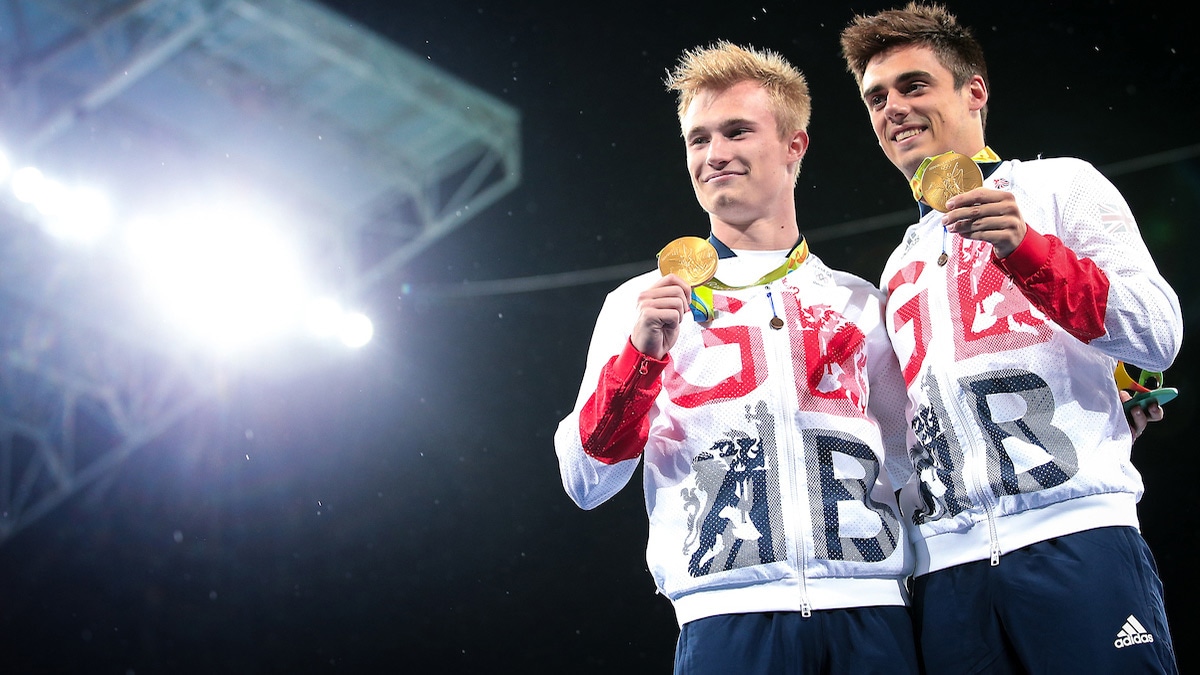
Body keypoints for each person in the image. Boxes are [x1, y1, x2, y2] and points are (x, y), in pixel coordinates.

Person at [554, 42, 919, 673]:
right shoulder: (639, 304)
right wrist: (640, 365)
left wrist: (1111, 401)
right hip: (725, 620)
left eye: (737, 131)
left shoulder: (861, 303)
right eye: (698, 140)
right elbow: (586, 481)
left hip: (873, 614)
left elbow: (918, 463)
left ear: (794, 146)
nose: (714, 155)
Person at [838, 4, 1183, 673]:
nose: (893, 109)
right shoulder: (898, 265)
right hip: (949, 574)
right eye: (876, 97)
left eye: (914, 85)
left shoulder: (1058, 185)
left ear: (975, 92)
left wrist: (1028, 249)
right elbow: (903, 440)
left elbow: (1158, 331)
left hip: (1075, 538)